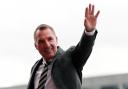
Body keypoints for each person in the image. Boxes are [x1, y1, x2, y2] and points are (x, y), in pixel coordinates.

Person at [27, 4, 100, 89]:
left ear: (56, 40)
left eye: (50, 39)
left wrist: (89, 31)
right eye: (41, 41)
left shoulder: (69, 58)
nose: (47, 45)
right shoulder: (35, 67)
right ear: (36, 46)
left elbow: (83, 49)